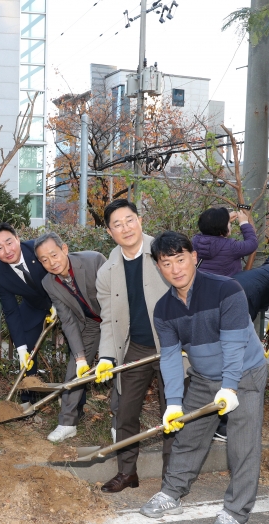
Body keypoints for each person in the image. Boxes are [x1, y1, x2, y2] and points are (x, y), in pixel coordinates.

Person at [140, 231, 267, 524]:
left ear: (194, 257)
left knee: (242, 445)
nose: (175, 269)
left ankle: (237, 512)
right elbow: (169, 359)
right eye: (166, 263)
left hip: (245, 374)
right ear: (159, 267)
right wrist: (172, 403)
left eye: (180, 259)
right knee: (188, 437)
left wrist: (230, 387)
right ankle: (172, 493)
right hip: (203, 377)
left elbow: (235, 344)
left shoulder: (226, 289)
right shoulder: (164, 309)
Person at [93, 199, 172, 493]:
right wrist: (106, 357)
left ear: (139, 221)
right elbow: (109, 320)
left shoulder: (164, 252)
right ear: (109, 232)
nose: (125, 228)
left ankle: (172, 477)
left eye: (129, 220)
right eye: (117, 224)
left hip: (171, 346)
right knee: (125, 412)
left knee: (172, 412)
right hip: (135, 348)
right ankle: (127, 472)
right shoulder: (107, 271)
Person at [36, 232, 106, 442]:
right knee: (74, 370)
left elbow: (119, 296)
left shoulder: (94, 261)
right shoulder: (49, 283)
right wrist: (80, 357)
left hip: (117, 319)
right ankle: (67, 423)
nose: (51, 262)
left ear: (64, 249)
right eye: (44, 260)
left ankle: (118, 423)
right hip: (91, 324)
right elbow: (67, 320)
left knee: (120, 369)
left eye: (54, 255)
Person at [0, 222, 55, 402]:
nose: (7, 250)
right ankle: (28, 400)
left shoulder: (37, 248)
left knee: (77, 345)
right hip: (34, 305)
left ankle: (75, 404)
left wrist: (59, 302)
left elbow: (62, 269)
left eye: (9, 242)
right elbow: (11, 311)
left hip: (63, 299)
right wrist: (21, 349)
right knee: (25, 344)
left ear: (18, 239)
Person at [192, 207, 258, 277]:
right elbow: (252, 243)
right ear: (222, 227)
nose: (230, 225)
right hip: (225, 286)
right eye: (228, 223)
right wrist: (244, 223)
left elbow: (210, 226)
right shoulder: (231, 246)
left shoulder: (195, 241)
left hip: (203, 284)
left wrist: (224, 219)